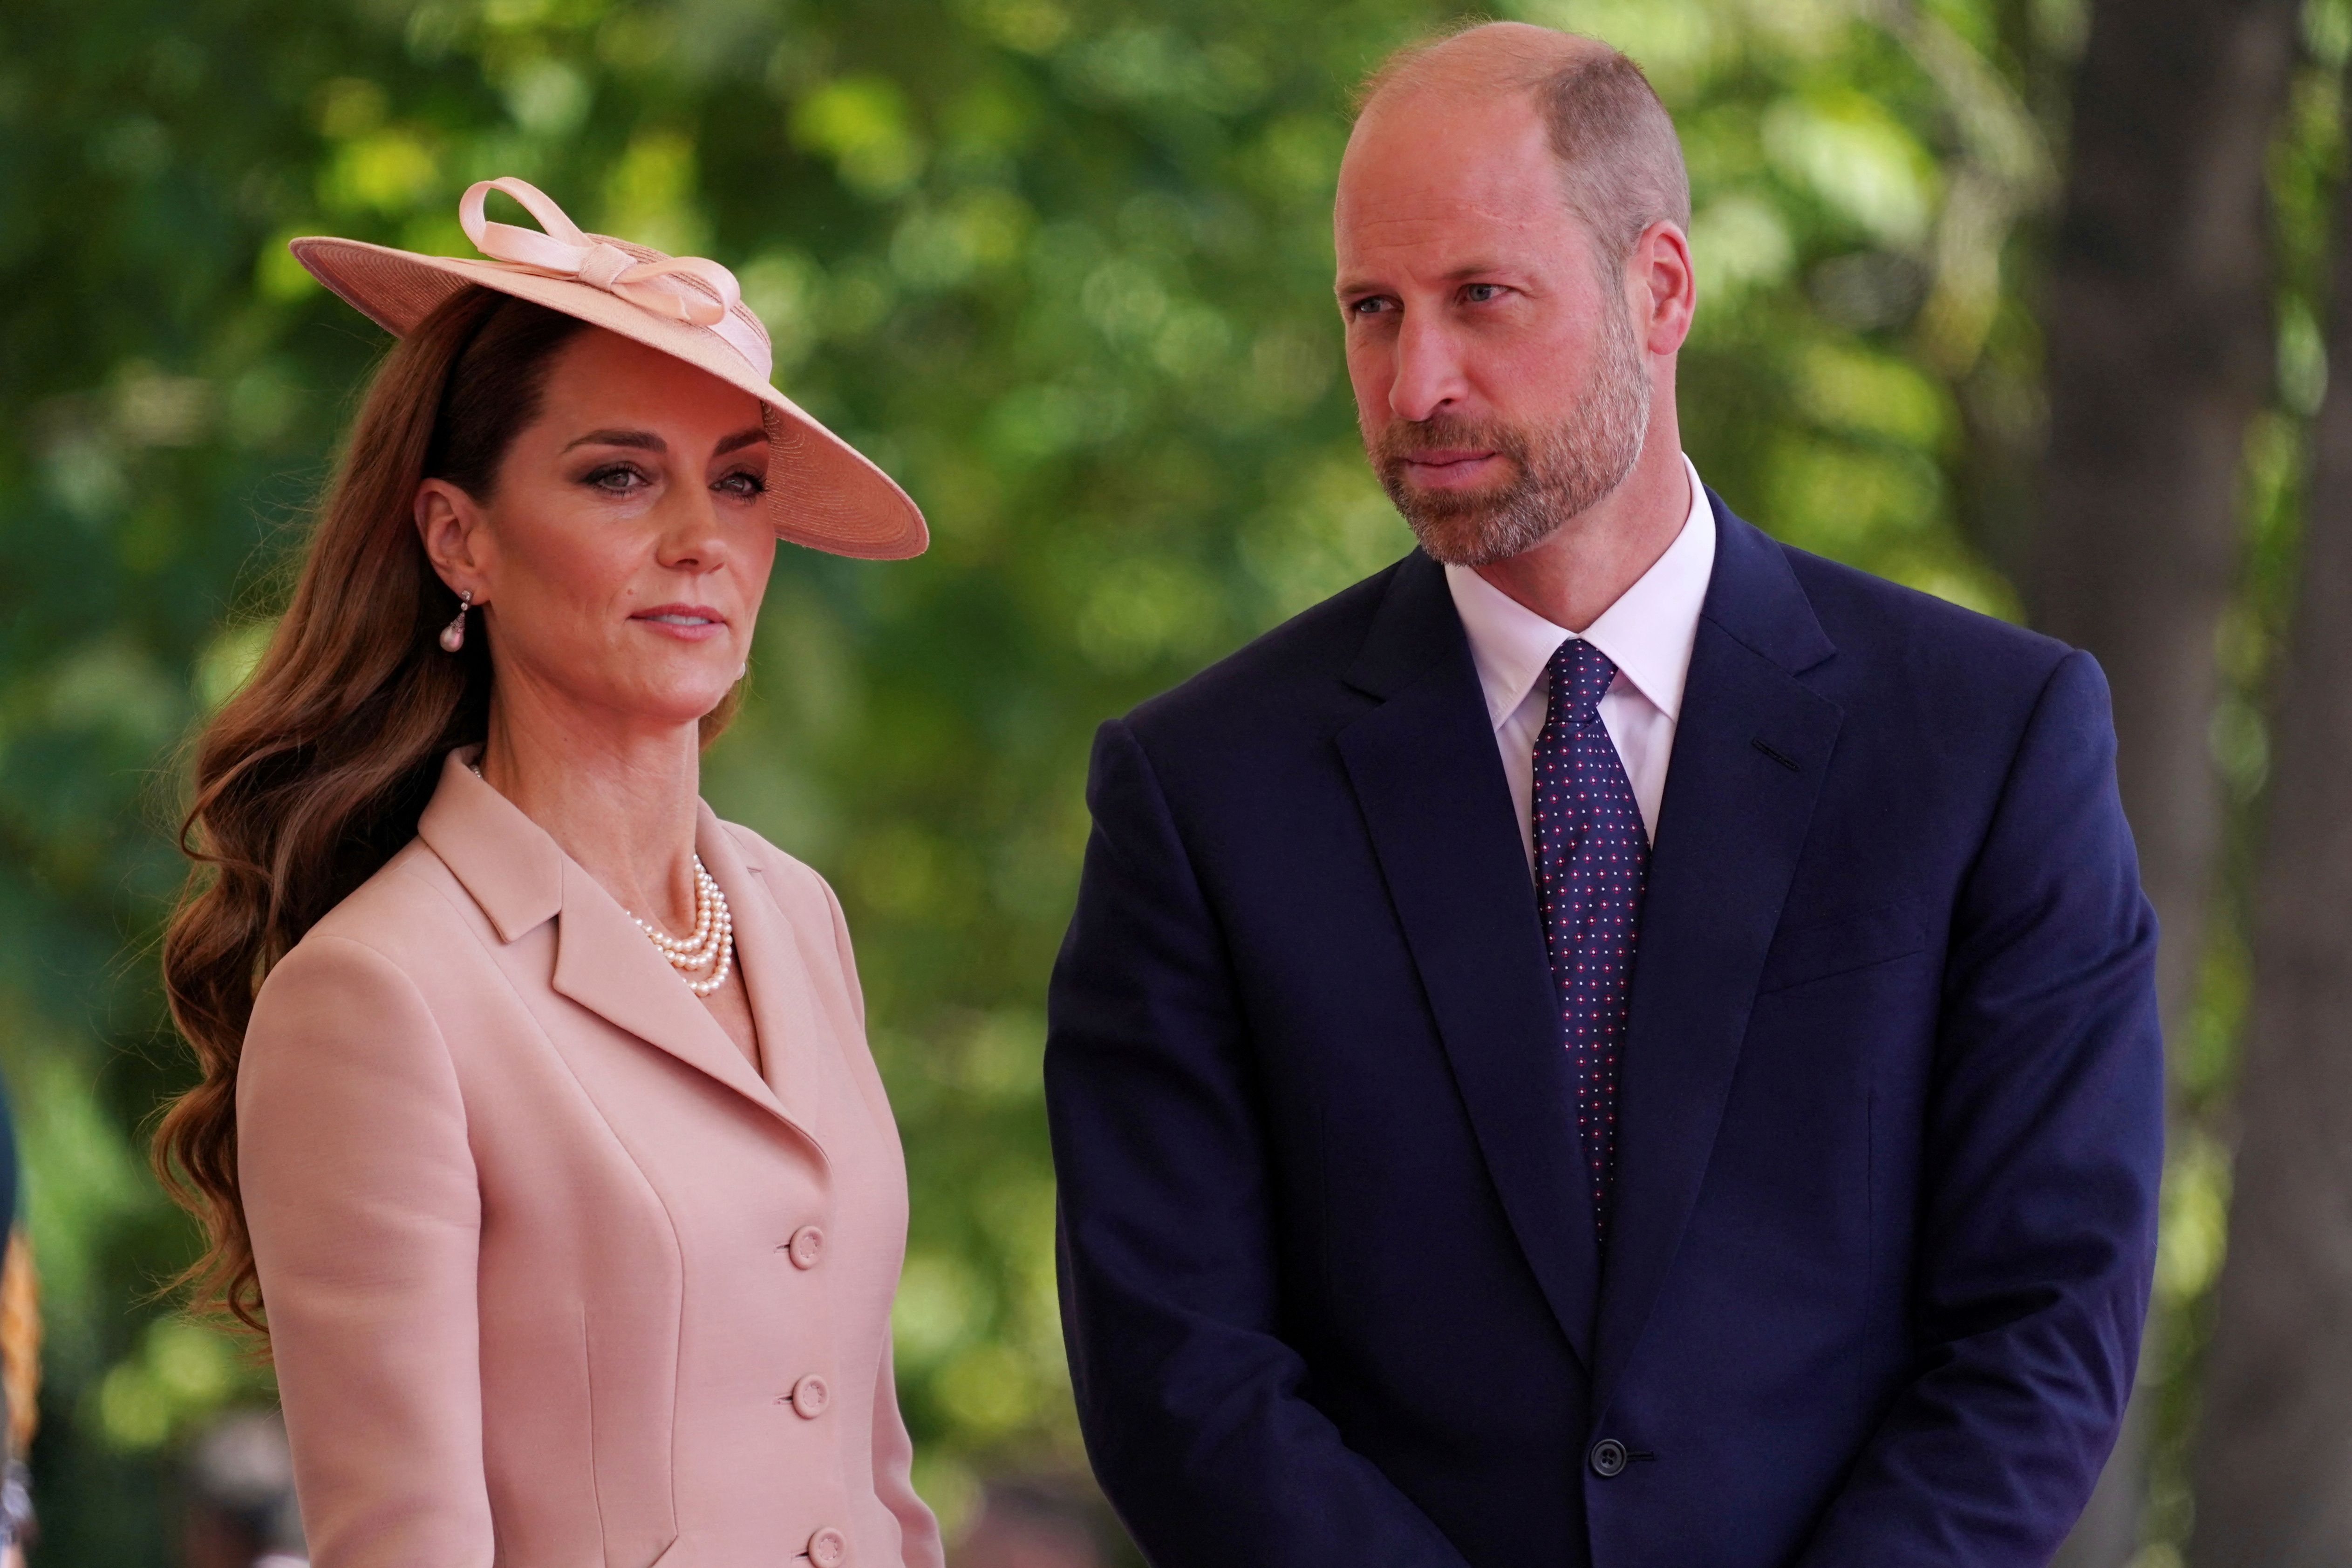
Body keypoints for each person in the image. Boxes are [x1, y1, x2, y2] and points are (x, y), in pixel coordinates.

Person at [1044, 23, 2163, 1567]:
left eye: (1480, 297)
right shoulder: (1199, 792)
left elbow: (2045, 1318)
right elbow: (1174, 1365)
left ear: (1661, 289)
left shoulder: (1987, 741)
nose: (1415, 380)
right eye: (1372, 310)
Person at [154, 177, 942, 1568]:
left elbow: (873, 1478)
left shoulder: (796, 914)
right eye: (620, 476)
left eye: (739, 481)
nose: (702, 538)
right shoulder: (377, 993)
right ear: (458, 537)